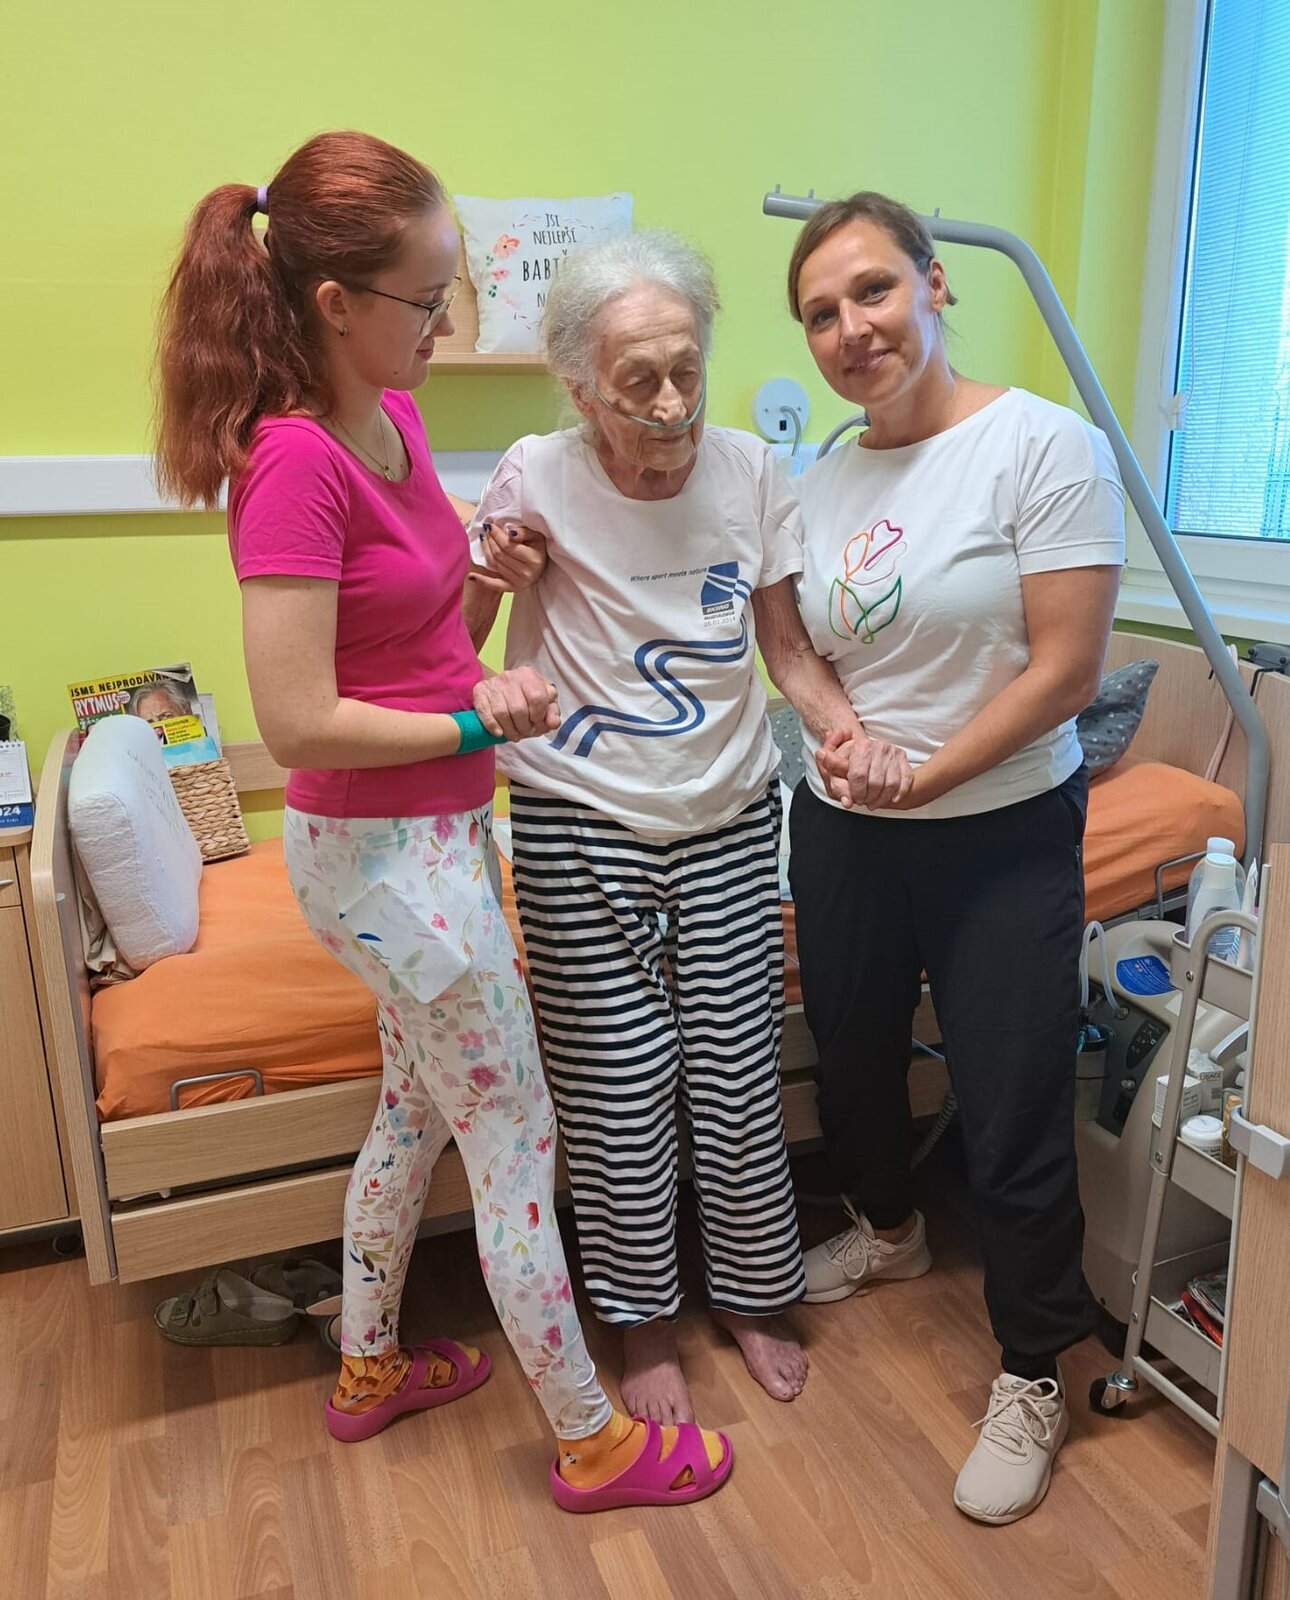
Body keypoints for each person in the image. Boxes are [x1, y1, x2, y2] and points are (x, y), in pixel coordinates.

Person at [154, 129, 732, 1512]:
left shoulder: (394, 420)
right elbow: (299, 722)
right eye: (427, 299)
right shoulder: (291, 464)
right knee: (518, 1151)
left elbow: (428, 641)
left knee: (413, 1116)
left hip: (439, 842)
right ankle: (592, 1441)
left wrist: (491, 571)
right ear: (334, 304)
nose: (448, 324)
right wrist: (485, 725)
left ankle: (366, 1367)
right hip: (381, 862)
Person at [470, 230, 865, 1426]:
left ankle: (752, 1294)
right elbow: (456, 647)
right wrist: (491, 582)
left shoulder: (750, 469)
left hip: (731, 814)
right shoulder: (534, 476)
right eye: (635, 379)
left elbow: (786, 648)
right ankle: (642, 1322)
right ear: (579, 386)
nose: (669, 401)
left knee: (739, 1072)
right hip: (576, 820)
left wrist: (845, 734)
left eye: (686, 368)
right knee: (616, 1087)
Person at [783, 192, 1124, 1524]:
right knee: (854, 1053)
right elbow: (790, 641)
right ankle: (889, 1227)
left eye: (872, 290)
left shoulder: (1040, 444)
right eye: (820, 312)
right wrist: (842, 734)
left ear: (935, 285)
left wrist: (920, 773)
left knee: (1010, 1090)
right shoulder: (821, 479)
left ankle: (1034, 1362)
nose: (850, 327)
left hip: (999, 832)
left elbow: (1066, 671)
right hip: (846, 825)